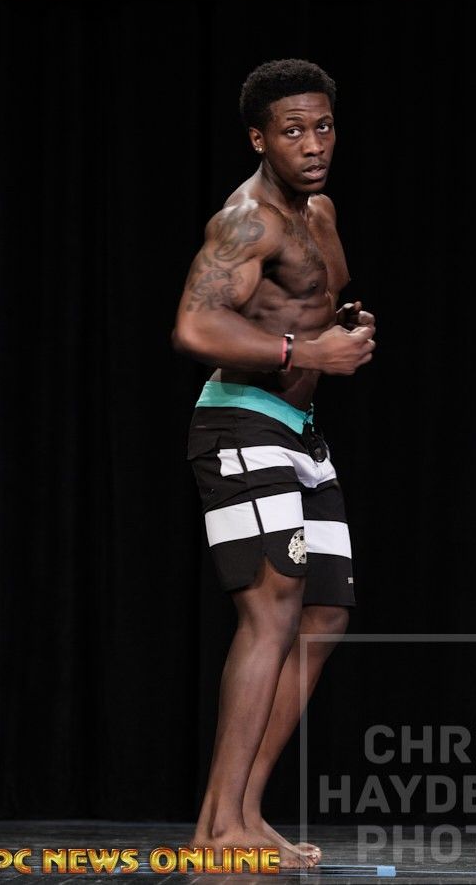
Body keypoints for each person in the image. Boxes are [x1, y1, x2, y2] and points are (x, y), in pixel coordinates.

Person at [172, 58, 376, 869]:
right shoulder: (246, 220)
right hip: (239, 423)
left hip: (299, 431)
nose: (313, 144)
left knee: (324, 613)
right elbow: (195, 327)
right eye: (293, 131)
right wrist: (304, 351)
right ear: (260, 139)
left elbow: (323, 303)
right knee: (271, 610)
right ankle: (215, 828)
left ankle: (247, 816)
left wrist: (347, 330)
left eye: (322, 126)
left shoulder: (318, 213)